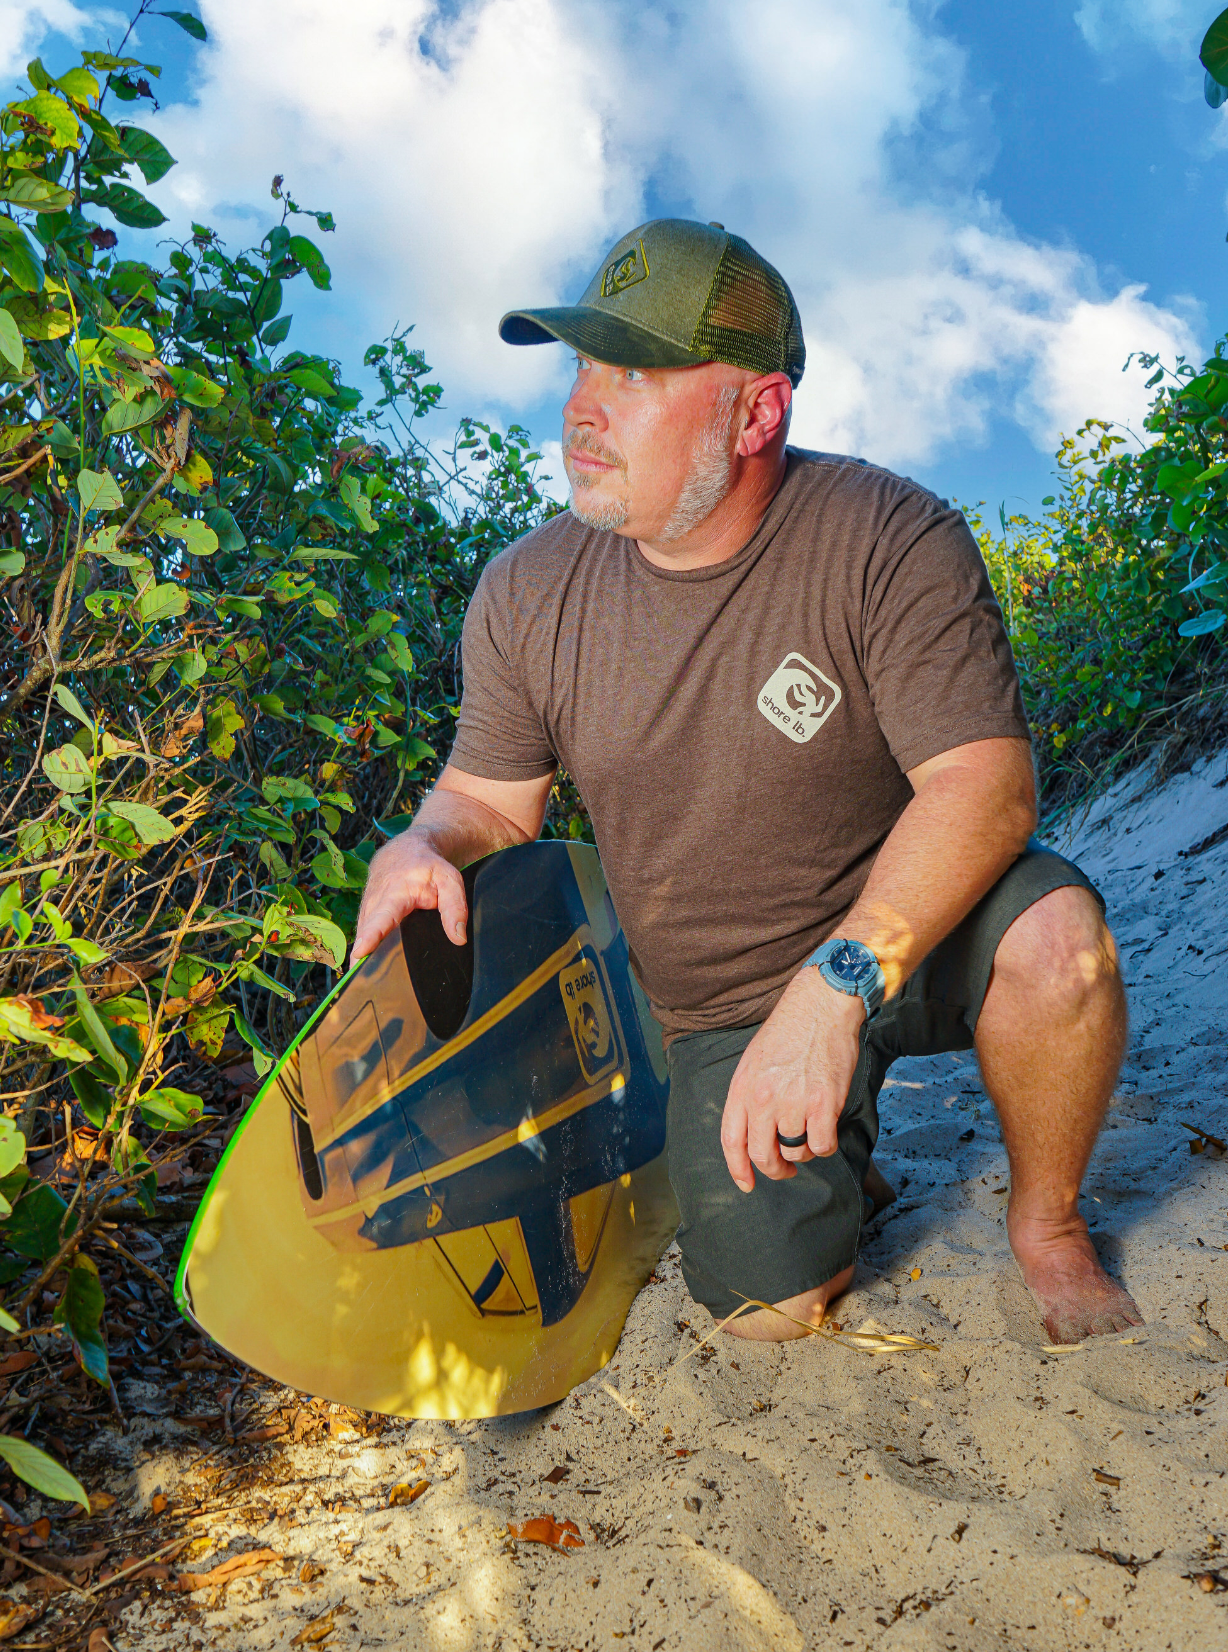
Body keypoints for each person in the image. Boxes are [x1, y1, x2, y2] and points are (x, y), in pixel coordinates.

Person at [353, 218, 1142, 1348]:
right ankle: (837, 1169)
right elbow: (484, 800)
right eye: (579, 365)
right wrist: (426, 844)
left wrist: (834, 988)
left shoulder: (889, 535)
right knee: (770, 1312)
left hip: (921, 933)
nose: (581, 407)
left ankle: (1048, 1223)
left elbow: (985, 792)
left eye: (631, 374)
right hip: (722, 1004)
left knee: (1058, 940)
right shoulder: (524, 592)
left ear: (757, 411)